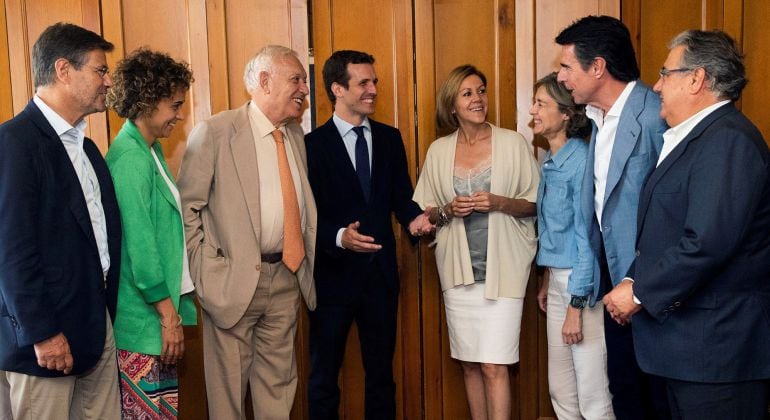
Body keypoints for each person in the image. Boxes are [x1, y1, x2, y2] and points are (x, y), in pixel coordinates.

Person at [603, 29, 770, 419]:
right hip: (688, 352)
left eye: (665, 74)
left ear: (696, 79)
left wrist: (639, 293)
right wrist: (630, 279)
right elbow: (667, 232)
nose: (657, 86)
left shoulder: (727, 140)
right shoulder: (698, 138)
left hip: (718, 356)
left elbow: (707, 242)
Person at [177, 44, 317, 419]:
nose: (305, 88)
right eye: (297, 79)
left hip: (286, 278)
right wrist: (206, 273)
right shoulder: (215, 132)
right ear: (265, 81)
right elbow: (187, 209)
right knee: (227, 399)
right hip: (231, 285)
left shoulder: (295, 135)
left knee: (278, 390)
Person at [0, 22, 122, 419]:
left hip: (95, 323)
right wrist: (43, 332)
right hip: (45, 341)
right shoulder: (15, 142)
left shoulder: (86, 147)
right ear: (64, 70)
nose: (108, 81)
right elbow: (11, 250)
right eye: (100, 70)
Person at [305, 49, 432, 420]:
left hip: (380, 279)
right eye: (364, 82)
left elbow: (401, 200)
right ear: (337, 89)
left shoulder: (391, 139)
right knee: (324, 378)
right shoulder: (311, 146)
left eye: (374, 81)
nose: (374, 89)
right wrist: (338, 236)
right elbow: (303, 217)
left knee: (381, 378)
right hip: (331, 280)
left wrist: (416, 221)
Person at [555, 15, 668, 420]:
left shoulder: (656, 114)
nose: (561, 76)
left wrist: (640, 280)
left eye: (567, 66)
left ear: (598, 67)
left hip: (652, 285)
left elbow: (673, 211)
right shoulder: (598, 121)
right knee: (624, 388)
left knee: (656, 394)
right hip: (613, 280)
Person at [413, 64, 539, 420]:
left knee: (494, 366)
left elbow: (536, 205)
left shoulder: (513, 143)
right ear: (452, 104)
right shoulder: (438, 151)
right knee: (469, 364)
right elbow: (429, 216)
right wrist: (449, 210)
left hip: (504, 274)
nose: (478, 99)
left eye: (481, 90)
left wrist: (499, 202)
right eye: (468, 93)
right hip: (458, 276)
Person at [104, 48, 197, 419]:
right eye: (174, 105)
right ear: (147, 100)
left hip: (154, 317)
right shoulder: (129, 158)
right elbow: (141, 249)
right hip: (142, 321)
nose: (179, 114)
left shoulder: (150, 149)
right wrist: (168, 317)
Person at [532, 72, 614, 419]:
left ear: (566, 113)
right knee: (562, 390)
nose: (532, 111)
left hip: (582, 287)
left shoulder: (580, 161)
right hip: (558, 283)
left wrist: (575, 306)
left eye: (541, 104)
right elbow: (555, 230)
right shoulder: (550, 162)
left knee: (592, 396)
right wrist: (548, 280)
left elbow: (587, 240)